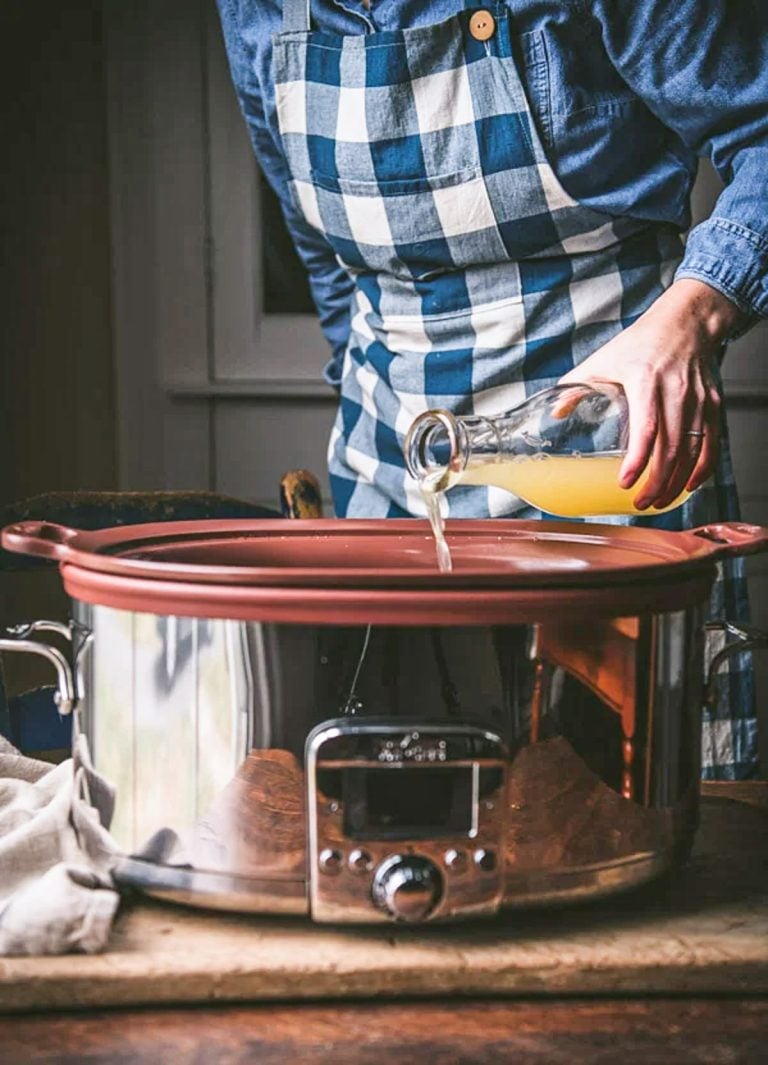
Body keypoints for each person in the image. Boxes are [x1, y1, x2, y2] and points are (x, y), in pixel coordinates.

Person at [216, 0, 768, 779]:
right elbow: (320, 250)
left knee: (612, 813)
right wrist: (359, 368)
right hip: (388, 473)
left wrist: (694, 314)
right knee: (395, 802)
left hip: (610, 457)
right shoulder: (253, 11)